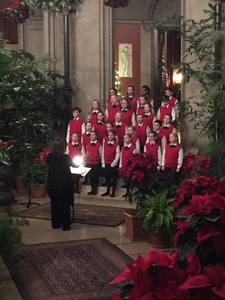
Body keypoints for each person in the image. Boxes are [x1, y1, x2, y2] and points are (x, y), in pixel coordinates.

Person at [47, 138, 73, 231]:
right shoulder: (66, 157)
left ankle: (56, 224)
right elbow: (74, 165)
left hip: (52, 185)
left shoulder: (49, 157)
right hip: (64, 185)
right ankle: (66, 225)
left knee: (54, 205)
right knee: (65, 205)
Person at [101, 131, 120, 198]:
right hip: (106, 163)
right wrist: (103, 163)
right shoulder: (105, 143)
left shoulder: (116, 144)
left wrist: (113, 164)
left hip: (113, 164)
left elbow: (118, 155)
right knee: (107, 178)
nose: (110, 136)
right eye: (109, 135)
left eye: (112, 135)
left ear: (114, 136)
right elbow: (103, 153)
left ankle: (113, 192)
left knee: (113, 179)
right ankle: (108, 191)